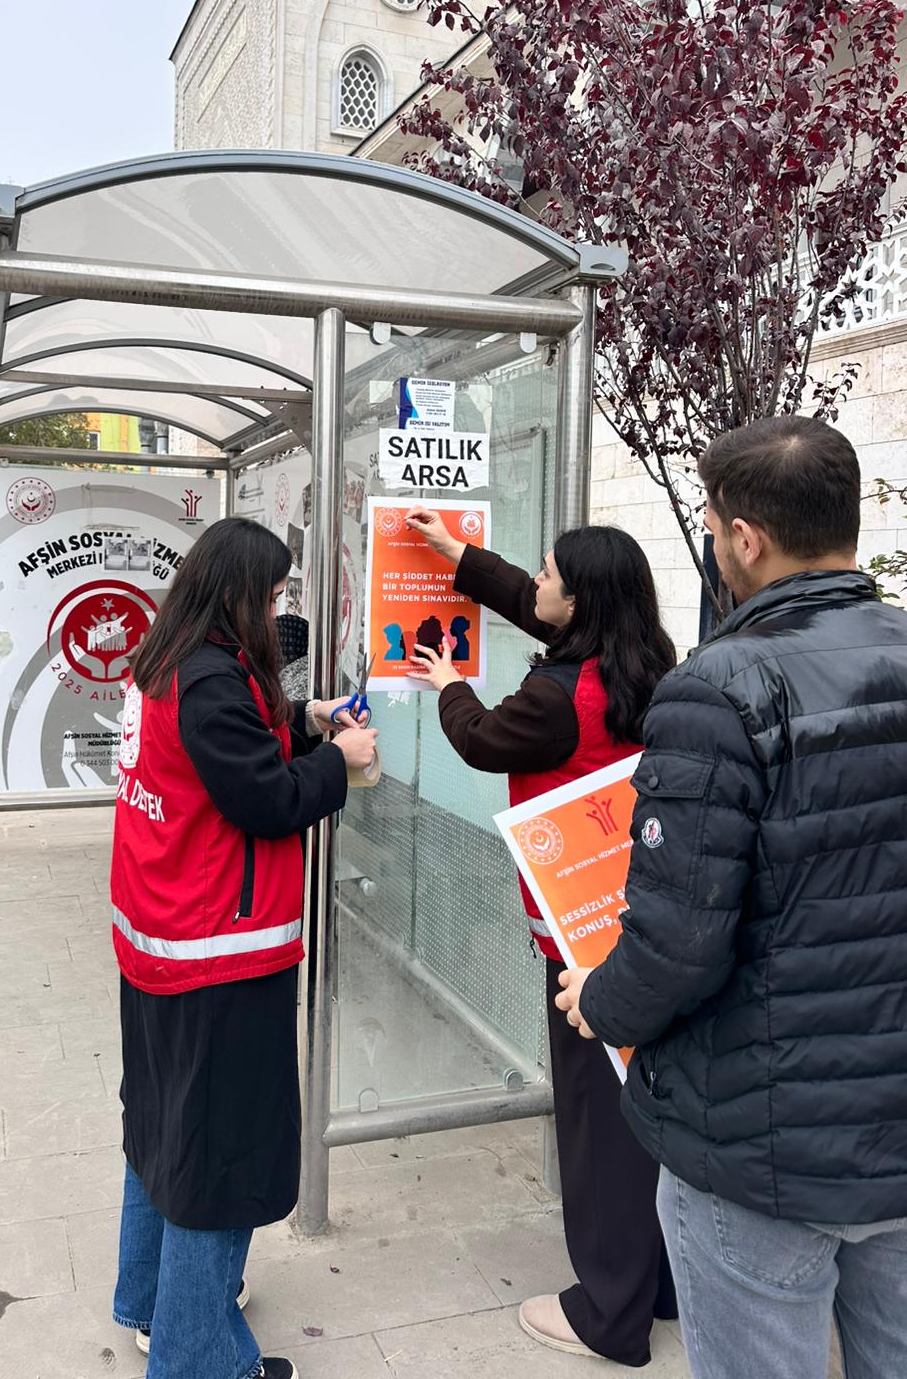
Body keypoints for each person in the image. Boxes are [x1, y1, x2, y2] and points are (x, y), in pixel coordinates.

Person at [557, 417, 907, 1379]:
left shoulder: (718, 688)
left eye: (714, 525)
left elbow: (676, 943)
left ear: (743, 538)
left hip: (763, 1143)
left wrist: (599, 998)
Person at [406, 508, 678, 1367]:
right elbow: (541, 611)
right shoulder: (646, 667)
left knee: (596, 1126)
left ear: (584, 597)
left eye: (551, 571)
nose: (540, 582)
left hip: (578, 944)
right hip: (645, 925)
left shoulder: (555, 700)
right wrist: (462, 560)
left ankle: (609, 1311)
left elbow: (481, 739)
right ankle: (658, 1282)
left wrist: (448, 679)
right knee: (645, 1111)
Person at [109, 516, 378, 1379]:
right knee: (217, 1160)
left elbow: (231, 749)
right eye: (271, 595)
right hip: (217, 950)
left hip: (159, 938)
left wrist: (305, 716)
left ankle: (148, 1299)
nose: (277, 609)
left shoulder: (169, 659)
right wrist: (341, 760)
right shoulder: (213, 680)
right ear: (236, 595)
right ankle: (197, 1358)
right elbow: (262, 796)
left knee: (161, 1127)